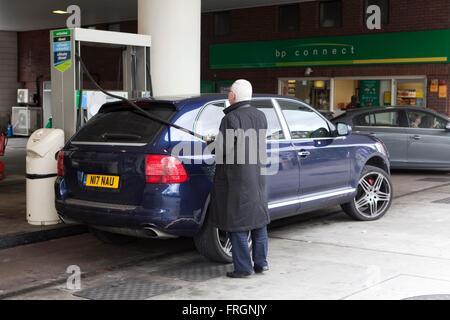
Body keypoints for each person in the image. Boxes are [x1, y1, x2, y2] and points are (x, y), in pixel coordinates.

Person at [210, 79, 270, 279]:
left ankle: (243, 268)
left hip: (237, 179)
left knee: (237, 223)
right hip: (257, 177)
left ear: (233, 96)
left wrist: (211, 143)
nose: (228, 95)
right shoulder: (261, 116)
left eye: (229, 92)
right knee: (258, 221)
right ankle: (261, 264)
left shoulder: (231, 118)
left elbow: (222, 151)